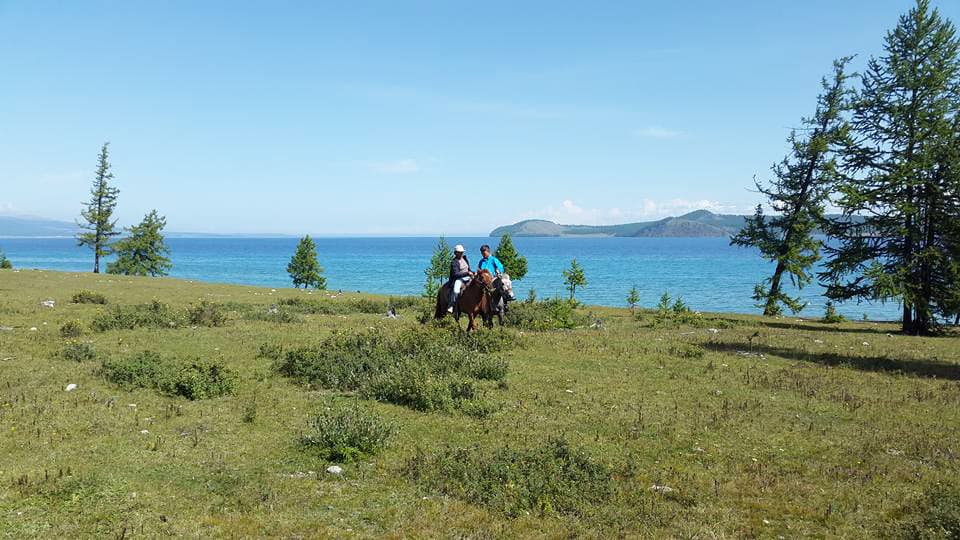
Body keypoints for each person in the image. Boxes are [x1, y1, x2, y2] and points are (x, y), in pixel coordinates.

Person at [447, 244, 473, 313]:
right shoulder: (454, 262)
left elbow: (468, 269)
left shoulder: (464, 259)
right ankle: (451, 305)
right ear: (456, 253)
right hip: (458, 279)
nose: (461, 253)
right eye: (460, 252)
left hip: (468, 277)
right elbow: (456, 274)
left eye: (462, 252)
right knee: (456, 290)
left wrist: (473, 272)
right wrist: (467, 273)